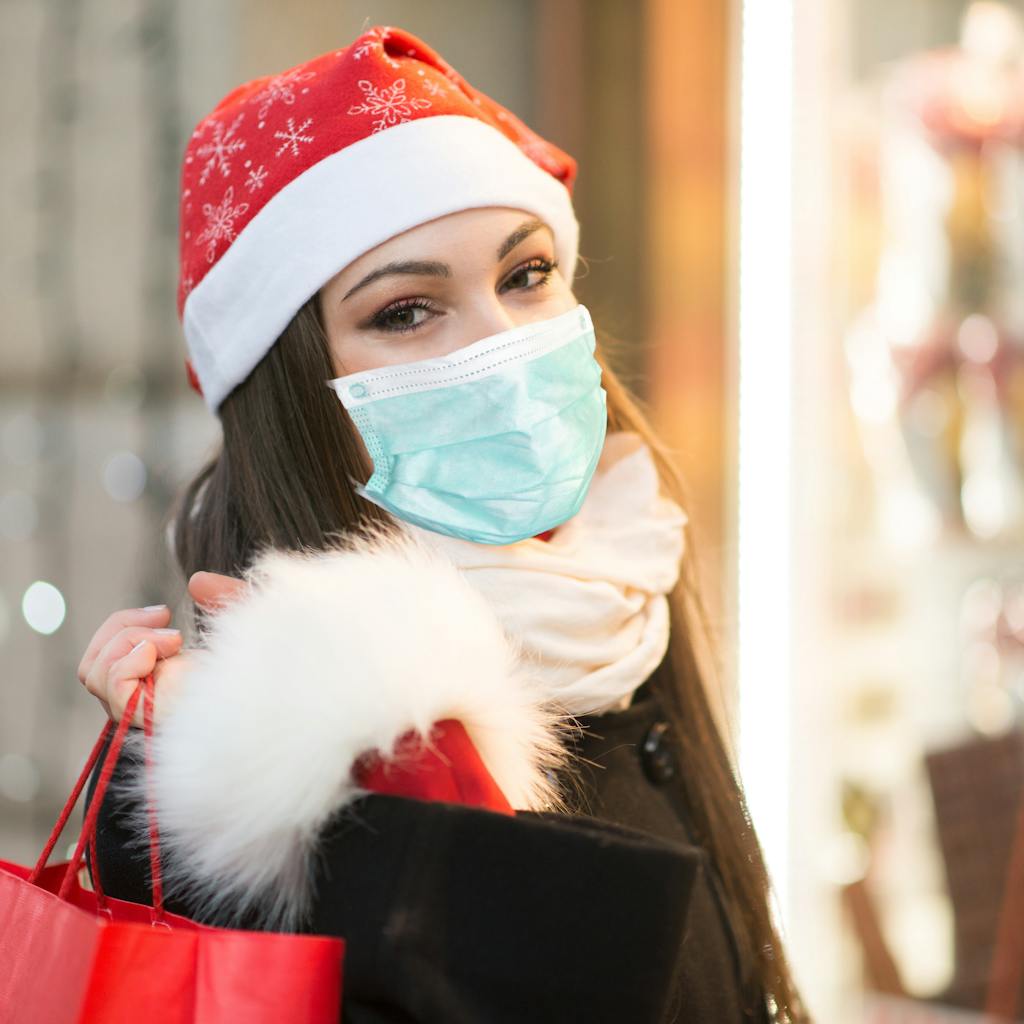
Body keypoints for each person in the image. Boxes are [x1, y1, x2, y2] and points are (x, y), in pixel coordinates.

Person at [76, 24, 806, 1024]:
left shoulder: (630, 585)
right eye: (408, 310)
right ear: (300, 391)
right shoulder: (273, 768)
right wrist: (378, 758)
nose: (501, 347)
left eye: (527, 274)